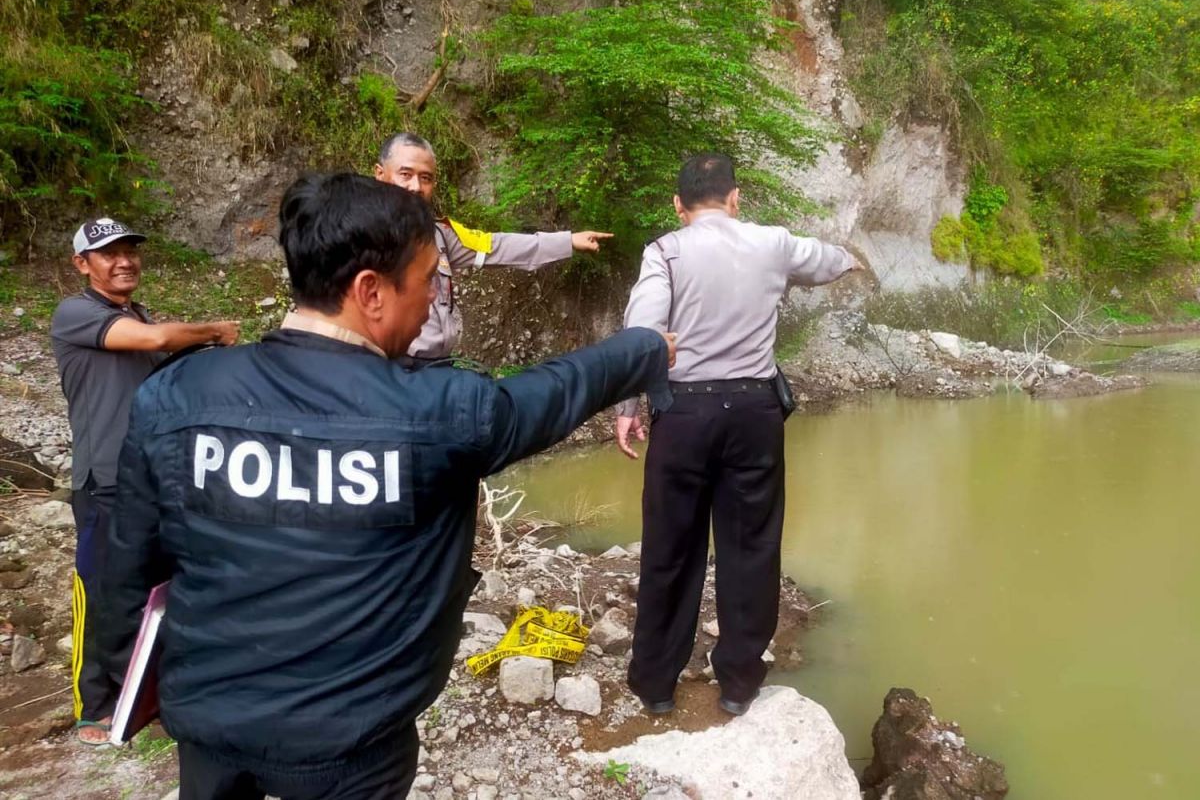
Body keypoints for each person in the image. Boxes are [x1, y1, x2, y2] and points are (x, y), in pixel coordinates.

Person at [96, 174, 674, 799]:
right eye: (429, 281)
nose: (433, 301)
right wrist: (643, 347)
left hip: (208, 725)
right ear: (371, 291)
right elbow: (555, 392)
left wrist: (134, 684)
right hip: (354, 750)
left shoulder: (177, 394)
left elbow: (127, 567)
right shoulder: (439, 412)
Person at [615, 153, 863, 716]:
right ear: (735, 199)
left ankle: (655, 685)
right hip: (755, 416)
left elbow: (642, 333)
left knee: (670, 550)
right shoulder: (772, 242)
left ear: (678, 206)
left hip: (683, 416)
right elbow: (826, 261)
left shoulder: (666, 252)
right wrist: (850, 258)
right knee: (750, 548)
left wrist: (629, 403)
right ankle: (739, 684)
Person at [50, 218, 239, 746]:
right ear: (82, 264)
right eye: (109, 253)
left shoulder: (137, 315)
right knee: (100, 589)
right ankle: (93, 708)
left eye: (130, 250)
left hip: (152, 474)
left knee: (151, 586)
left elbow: (167, 363)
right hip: (103, 479)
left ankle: (142, 692)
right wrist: (213, 331)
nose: (124, 260)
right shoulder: (77, 314)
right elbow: (156, 340)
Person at [373, 132, 613, 360]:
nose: (416, 187)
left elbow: (496, 246)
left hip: (436, 369)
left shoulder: (439, 235)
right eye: (405, 174)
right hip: (389, 373)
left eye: (426, 178)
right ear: (380, 174)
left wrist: (567, 240)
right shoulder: (357, 238)